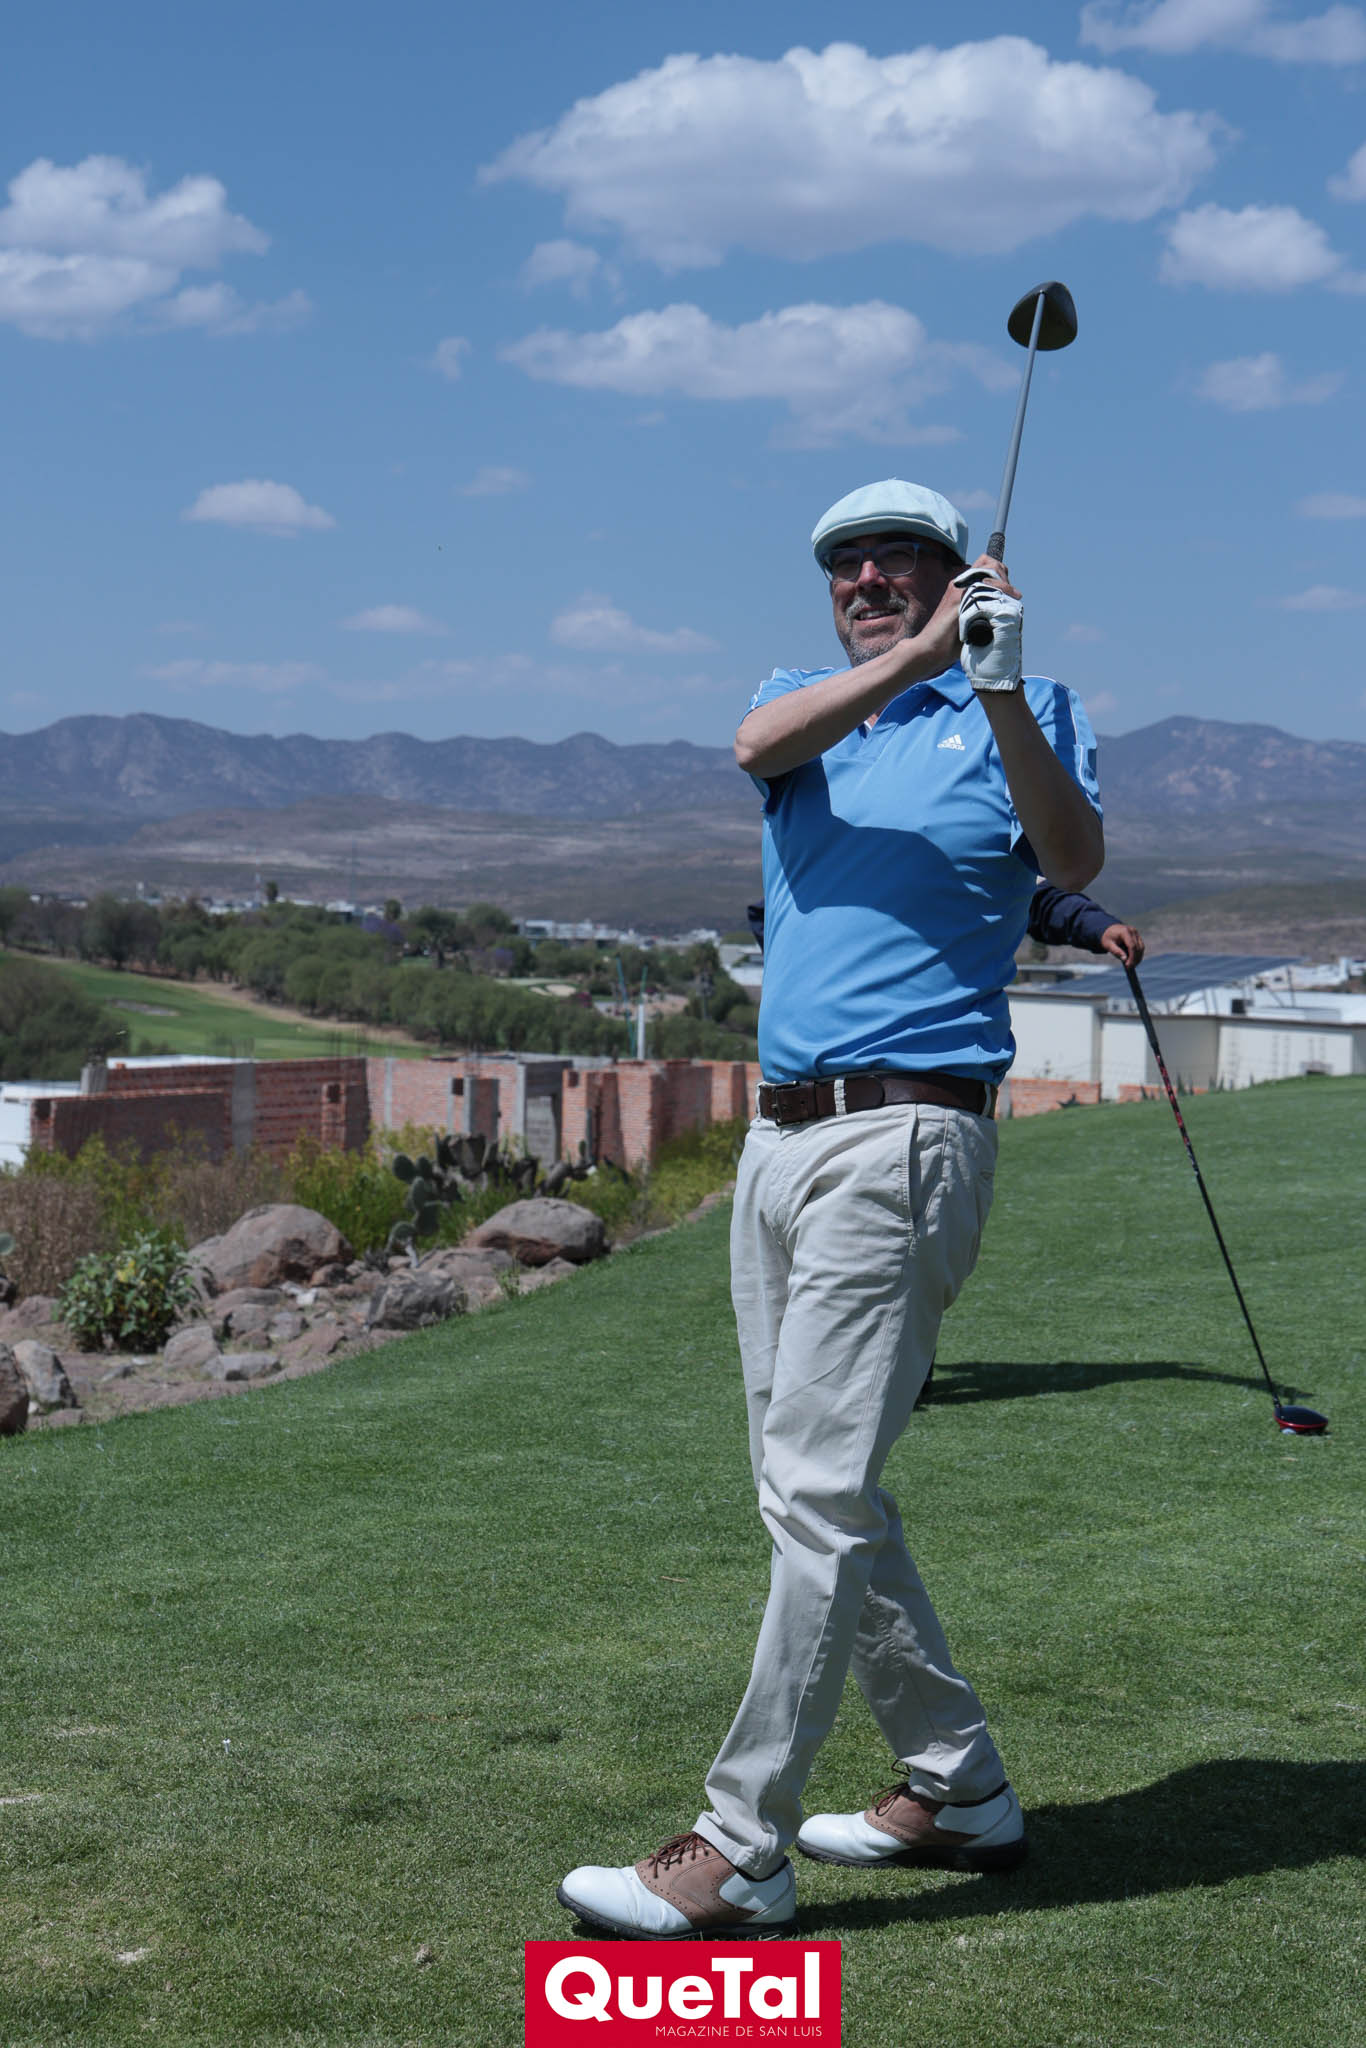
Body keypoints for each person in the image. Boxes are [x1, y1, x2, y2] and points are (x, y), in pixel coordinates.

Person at [558, 478, 1104, 1939]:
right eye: (845, 565)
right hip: (779, 1139)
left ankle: (739, 1846)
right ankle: (959, 1784)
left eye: (897, 559)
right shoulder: (805, 704)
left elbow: (1068, 861)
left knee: (814, 1493)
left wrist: (991, 684)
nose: (866, 578)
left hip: (906, 1134)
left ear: (951, 571)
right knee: (811, 1490)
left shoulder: (1028, 706)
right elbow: (756, 746)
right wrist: (920, 659)